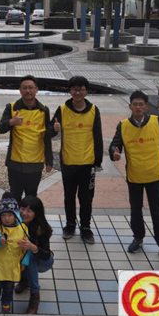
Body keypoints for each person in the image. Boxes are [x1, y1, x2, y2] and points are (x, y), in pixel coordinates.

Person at [109, 91, 159, 264]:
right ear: (130, 106)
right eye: (135, 104)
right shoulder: (123, 125)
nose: (138, 107)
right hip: (134, 176)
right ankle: (138, 238)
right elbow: (115, 144)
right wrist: (114, 153)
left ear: (146, 106)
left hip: (154, 175)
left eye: (141, 104)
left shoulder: (157, 122)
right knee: (136, 210)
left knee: (158, 213)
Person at [0, 195, 53, 315]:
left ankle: (35, 296)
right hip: (17, 257)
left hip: (42, 260)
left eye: (29, 210)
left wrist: (32, 247)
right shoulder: (14, 218)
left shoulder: (41, 228)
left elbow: (46, 255)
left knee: (29, 259)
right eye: (23, 209)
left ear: (36, 213)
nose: (24, 213)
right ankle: (24, 280)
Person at [50, 76, 103, 244]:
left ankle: (86, 227)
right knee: (69, 196)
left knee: (86, 198)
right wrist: (55, 129)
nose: (77, 92)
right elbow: (50, 132)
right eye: (74, 89)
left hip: (88, 163)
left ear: (86, 91)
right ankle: (70, 224)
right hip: (68, 161)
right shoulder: (62, 110)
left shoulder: (94, 110)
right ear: (70, 90)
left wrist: (97, 162)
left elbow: (98, 136)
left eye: (81, 89)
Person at [0, 75, 53, 200]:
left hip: (35, 162)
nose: (28, 91)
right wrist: (11, 122)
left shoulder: (44, 110)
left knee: (31, 198)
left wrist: (49, 160)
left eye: (31, 88)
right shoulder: (11, 107)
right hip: (15, 163)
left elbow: (46, 136)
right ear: (20, 90)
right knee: (15, 196)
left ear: (36, 90)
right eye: (24, 88)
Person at [0, 192, 30, 314]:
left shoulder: (23, 228)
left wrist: (24, 262)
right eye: (4, 215)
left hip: (13, 264)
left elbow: (27, 248)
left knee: (9, 287)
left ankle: (6, 302)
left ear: (15, 215)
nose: (7, 218)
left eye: (10, 215)